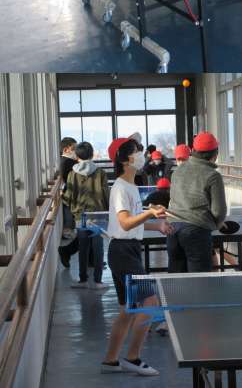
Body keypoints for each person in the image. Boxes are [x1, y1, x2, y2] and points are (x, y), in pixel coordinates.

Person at [101, 138, 171, 375]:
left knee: (128, 308)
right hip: (122, 252)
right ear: (125, 160)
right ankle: (133, 357)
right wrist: (150, 213)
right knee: (150, 302)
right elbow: (124, 223)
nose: (141, 154)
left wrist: (156, 224)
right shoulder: (121, 187)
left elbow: (133, 222)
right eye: (136, 151)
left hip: (127, 250)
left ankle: (110, 360)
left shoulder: (131, 186)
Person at [167, 131, 227, 273]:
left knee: (176, 281)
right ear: (215, 154)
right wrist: (218, 224)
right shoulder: (213, 176)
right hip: (196, 232)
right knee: (199, 281)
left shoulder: (177, 172)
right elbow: (219, 211)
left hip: (172, 230)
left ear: (193, 151)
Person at [64, 141, 109, 290]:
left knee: (83, 248)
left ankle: (83, 280)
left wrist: (72, 208)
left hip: (81, 216)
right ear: (92, 154)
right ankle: (98, 281)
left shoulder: (72, 174)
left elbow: (68, 196)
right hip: (98, 215)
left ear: (77, 156)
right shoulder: (100, 173)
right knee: (98, 248)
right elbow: (106, 194)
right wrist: (108, 213)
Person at [57, 136, 79, 268]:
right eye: (74, 148)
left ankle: (91, 259)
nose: (76, 151)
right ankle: (66, 251)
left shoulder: (65, 161)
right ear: (66, 149)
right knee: (82, 231)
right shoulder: (68, 163)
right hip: (71, 199)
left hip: (70, 198)